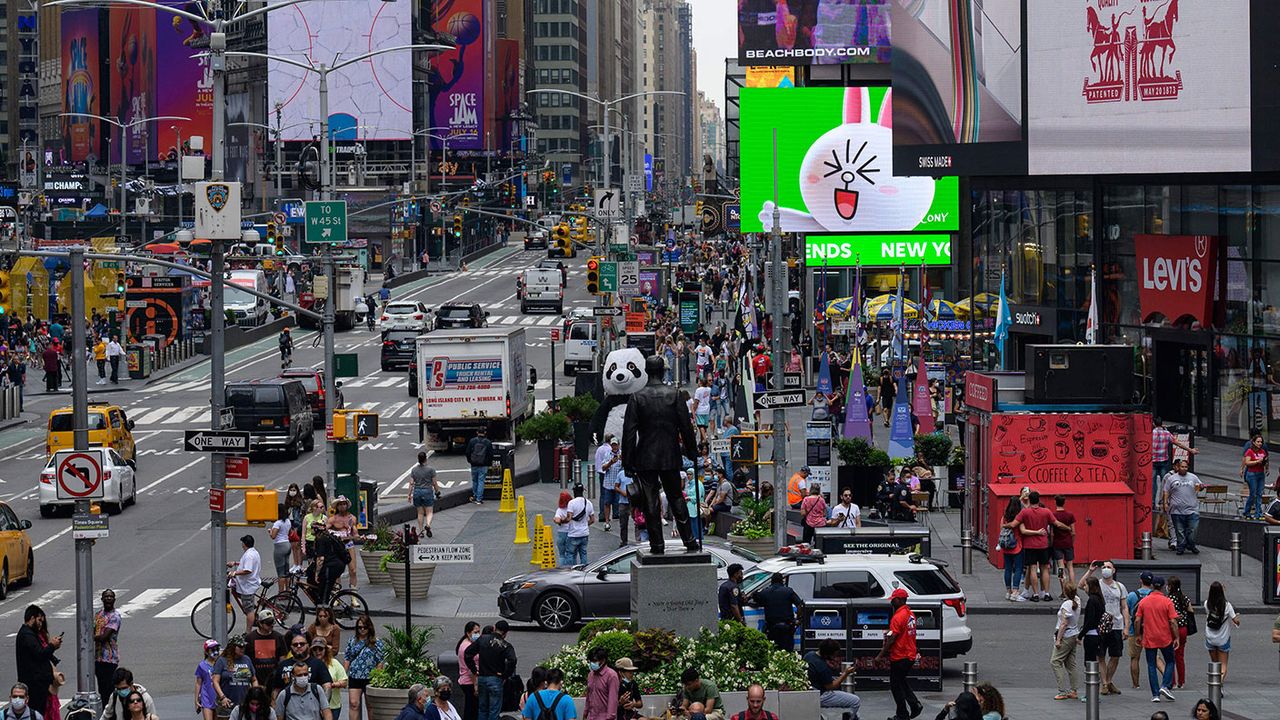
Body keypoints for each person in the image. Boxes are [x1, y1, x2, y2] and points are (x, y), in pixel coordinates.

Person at [1009, 490, 1063, 602]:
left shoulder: (1025, 513)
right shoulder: (1046, 511)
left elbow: (1014, 524)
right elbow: (1056, 523)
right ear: (1038, 500)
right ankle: (1047, 593)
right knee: (1044, 569)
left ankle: (1035, 594)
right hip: (1043, 544)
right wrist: (1067, 528)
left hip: (1030, 545)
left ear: (1029, 499)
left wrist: (1004, 525)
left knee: (1032, 568)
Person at [878, 588, 922, 720]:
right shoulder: (910, 615)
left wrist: (880, 655)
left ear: (900, 600)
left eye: (894, 599)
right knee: (901, 682)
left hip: (900, 656)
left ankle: (903, 714)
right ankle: (914, 705)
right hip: (909, 654)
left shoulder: (898, 616)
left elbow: (893, 638)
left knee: (895, 686)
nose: (892, 602)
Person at [1134, 576, 1179, 703]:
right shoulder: (1167, 602)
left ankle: (1155, 694)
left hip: (1149, 638)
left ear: (1152, 586)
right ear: (1163, 586)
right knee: (1170, 661)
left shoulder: (1144, 601)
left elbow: (1137, 620)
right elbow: (1173, 622)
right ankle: (1165, 685)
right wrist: (1176, 637)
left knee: (1151, 665)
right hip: (1165, 637)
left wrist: (1138, 635)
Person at [463, 620, 517, 720]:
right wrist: (505, 674)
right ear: (505, 633)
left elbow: (468, 654)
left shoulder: (482, 639)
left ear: (494, 627)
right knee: (494, 710)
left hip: (482, 678)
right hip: (496, 679)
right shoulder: (505, 645)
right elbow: (512, 660)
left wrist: (474, 670)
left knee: (482, 709)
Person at [16, 606, 60, 720]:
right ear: (32, 618)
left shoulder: (31, 634)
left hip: (39, 684)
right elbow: (40, 654)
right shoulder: (27, 635)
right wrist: (52, 646)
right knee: (36, 713)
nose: (41, 624)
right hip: (34, 685)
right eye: (39, 620)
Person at [1151, 417, 1197, 512]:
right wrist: (1190, 450)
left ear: (1153, 424)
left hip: (1153, 461)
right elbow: (1178, 444)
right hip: (1163, 460)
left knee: (1153, 483)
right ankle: (1163, 502)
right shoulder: (1167, 434)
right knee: (1166, 483)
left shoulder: (1151, 433)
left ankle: (1152, 504)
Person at [802, 639, 859, 716]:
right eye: (834, 655)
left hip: (809, 691)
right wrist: (845, 673)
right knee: (855, 701)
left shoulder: (809, 655)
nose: (835, 657)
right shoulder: (821, 665)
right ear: (826, 654)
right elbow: (831, 686)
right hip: (820, 695)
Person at [343, 615, 385, 720]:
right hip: (354, 676)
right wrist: (344, 674)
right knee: (353, 703)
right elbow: (347, 658)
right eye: (360, 627)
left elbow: (380, 661)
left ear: (369, 627)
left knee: (370, 706)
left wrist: (377, 677)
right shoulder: (352, 641)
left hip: (370, 678)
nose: (362, 629)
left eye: (365, 627)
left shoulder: (376, 642)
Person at [272, 633, 332, 704]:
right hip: (288, 709)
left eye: (302, 644)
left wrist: (324, 706)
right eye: (295, 644)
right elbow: (276, 689)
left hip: (312, 708)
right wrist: (274, 707)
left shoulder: (318, 664)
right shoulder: (283, 665)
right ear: (291, 647)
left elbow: (327, 686)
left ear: (308, 646)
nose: (299, 646)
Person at [751, 573, 804, 652]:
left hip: (772, 628)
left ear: (771, 581)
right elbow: (800, 605)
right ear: (782, 581)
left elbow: (754, 596)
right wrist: (798, 619)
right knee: (788, 653)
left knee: (773, 652)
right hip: (787, 628)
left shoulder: (765, 592)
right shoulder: (788, 591)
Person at [1163, 459, 1203, 554]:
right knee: (1179, 531)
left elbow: (1199, 486)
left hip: (1192, 509)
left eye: (1186, 467)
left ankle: (1191, 544)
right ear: (1178, 467)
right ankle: (1181, 547)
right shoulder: (1171, 478)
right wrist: (1165, 503)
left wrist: (1201, 487)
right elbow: (1166, 491)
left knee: (1193, 529)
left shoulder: (1193, 477)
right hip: (1176, 510)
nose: (1184, 469)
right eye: (1182, 467)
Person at [1203, 581, 1239, 684]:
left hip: (1210, 637)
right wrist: (1237, 618)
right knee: (1223, 665)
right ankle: (1219, 683)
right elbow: (1235, 620)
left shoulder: (1207, 604)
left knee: (1215, 664)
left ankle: (1215, 682)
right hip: (1223, 638)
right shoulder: (1227, 605)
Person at [1051, 579, 1081, 700]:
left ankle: (1062, 690)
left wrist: (1058, 639)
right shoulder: (1077, 600)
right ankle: (1073, 690)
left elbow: (1064, 623)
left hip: (1066, 636)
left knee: (1055, 661)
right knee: (1071, 663)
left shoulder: (1066, 605)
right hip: (1074, 634)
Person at [1127, 571, 1157, 690]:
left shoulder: (1132, 595)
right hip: (1151, 630)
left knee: (1135, 658)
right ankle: (1167, 681)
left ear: (1141, 580)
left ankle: (1136, 684)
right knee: (1156, 658)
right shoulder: (1154, 596)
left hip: (1134, 631)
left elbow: (1127, 610)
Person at [94, 589, 122, 709]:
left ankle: (111, 713)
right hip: (98, 657)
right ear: (102, 599)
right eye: (106, 597)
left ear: (114, 599)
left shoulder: (115, 616)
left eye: (111, 597)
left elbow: (104, 637)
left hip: (110, 659)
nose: (108, 599)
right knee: (102, 688)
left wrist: (90, 637)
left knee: (109, 691)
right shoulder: (98, 614)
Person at [213, 636, 256, 713]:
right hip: (228, 703)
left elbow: (254, 679)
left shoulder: (247, 659)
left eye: (244, 646)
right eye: (240, 647)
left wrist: (255, 693)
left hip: (245, 703)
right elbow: (215, 681)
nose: (243, 649)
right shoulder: (222, 660)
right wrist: (222, 697)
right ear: (232, 647)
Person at [246, 611, 286, 689]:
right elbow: (246, 660)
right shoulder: (250, 638)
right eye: (268, 623)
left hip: (274, 681)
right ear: (260, 624)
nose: (271, 625)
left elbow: (282, 659)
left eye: (272, 622)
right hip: (256, 680)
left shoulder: (278, 637)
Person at [229, 534, 263, 628]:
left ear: (244, 544)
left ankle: (248, 632)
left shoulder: (249, 555)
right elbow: (248, 564)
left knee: (249, 611)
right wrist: (235, 563)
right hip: (250, 583)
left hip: (248, 586)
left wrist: (234, 573)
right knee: (243, 599)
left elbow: (247, 570)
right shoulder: (253, 552)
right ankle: (252, 605)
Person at [1167, 575, 1193, 689]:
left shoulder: (1168, 599)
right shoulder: (1185, 598)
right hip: (1183, 629)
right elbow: (1191, 611)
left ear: (1169, 586)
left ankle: (1171, 681)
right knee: (1180, 656)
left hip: (1172, 629)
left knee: (1170, 656)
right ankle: (1181, 682)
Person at [327, 497, 360, 589]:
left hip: (349, 545)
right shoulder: (333, 519)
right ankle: (337, 594)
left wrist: (357, 536)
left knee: (353, 570)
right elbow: (325, 530)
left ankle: (354, 595)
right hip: (337, 546)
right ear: (337, 506)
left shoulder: (352, 518)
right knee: (337, 571)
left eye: (344, 504)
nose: (342, 506)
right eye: (340, 504)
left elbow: (355, 533)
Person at [558, 485, 594, 566]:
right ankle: (584, 570)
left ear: (574, 492)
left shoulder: (572, 503)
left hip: (573, 534)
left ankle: (571, 571)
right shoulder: (589, 503)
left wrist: (561, 521)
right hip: (585, 533)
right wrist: (584, 525)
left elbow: (568, 518)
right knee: (583, 553)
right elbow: (592, 520)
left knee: (570, 554)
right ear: (582, 491)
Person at [310, 640, 346, 720]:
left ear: (325, 650)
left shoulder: (334, 663)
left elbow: (344, 682)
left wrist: (330, 685)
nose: (317, 651)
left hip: (332, 706)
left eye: (320, 649)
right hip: (313, 706)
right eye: (315, 649)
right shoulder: (308, 664)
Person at [998, 497, 1025, 602]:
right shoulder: (1019, 516)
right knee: (1018, 569)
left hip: (1006, 545)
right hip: (1017, 545)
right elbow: (1021, 529)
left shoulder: (1005, 516)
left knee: (1008, 569)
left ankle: (1008, 591)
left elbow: (1001, 528)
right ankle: (1015, 591)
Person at [409, 452, 442, 538]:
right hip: (427, 491)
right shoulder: (431, 470)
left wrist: (409, 495)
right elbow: (434, 483)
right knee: (429, 512)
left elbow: (411, 483)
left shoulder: (414, 470)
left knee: (420, 513)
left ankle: (421, 531)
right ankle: (428, 525)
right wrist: (437, 492)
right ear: (426, 459)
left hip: (417, 492)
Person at [455, 623, 481, 720]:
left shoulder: (466, 644)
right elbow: (471, 668)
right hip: (470, 681)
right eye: (476, 632)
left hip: (466, 680)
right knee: (472, 710)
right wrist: (475, 685)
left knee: (470, 708)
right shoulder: (467, 647)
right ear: (468, 633)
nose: (478, 634)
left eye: (479, 632)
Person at [584, 647, 618, 720]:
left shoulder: (611, 676)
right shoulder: (590, 675)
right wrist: (585, 714)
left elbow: (613, 700)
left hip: (604, 717)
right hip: (592, 717)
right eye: (591, 661)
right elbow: (588, 696)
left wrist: (610, 718)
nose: (592, 663)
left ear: (603, 661)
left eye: (595, 661)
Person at [1050, 495, 1076, 590]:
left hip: (1057, 543)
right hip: (1068, 543)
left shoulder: (1053, 516)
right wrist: (1071, 542)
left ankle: (1064, 590)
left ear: (1056, 503)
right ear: (1064, 503)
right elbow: (1073, 532)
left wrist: (1052, 543)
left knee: (1060, 568)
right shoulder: (1070, 515)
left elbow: (1052, 533)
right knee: (1070, 567)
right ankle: (1073, 589)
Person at [1241, 432, 1268, 519]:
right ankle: (1246, 511)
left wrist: (1266, 466)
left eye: (1261, 442)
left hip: (1260, 473)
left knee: (1259, 493)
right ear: (1254, 442)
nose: (1260, 443)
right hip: (1252, 474)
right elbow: (1247, 462)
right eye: (1258, 441)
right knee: (1253, 494)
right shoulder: (1250, 451)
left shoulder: (1263, 451)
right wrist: (1257, 461)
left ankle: (1258, 513)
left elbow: (1266, 460)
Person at [465, 428, 494, 505]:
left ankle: (474, 496)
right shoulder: (488, 442)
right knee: (481, 481)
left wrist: (470, 461)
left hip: (474, 464)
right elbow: (491, 454)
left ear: (477, 432)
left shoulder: (472, 441)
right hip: (483, 465)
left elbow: (467, 452)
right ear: (485, 432)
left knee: (475, 481)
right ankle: (479, 499)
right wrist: (488, 463)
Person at [598, 438, 622, 532]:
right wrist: (611, 462)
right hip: (608, 483)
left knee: (620, 503)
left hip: (619, 484)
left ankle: (621, 521)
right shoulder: (607, 454)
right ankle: (607, 521)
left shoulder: (622, 454)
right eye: (613, 445)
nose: (614, 447)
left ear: (618, 445)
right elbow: (603, 468)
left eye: (616, 445)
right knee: (607, 503)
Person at [270, 505, 294, 592]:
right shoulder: (288, 521)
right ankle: (288, 590)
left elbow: (273, 536)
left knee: (280, 572)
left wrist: (270, 531)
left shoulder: (278, 523)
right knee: (286, 570)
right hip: (287, 544)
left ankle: (281, 593)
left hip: (279, 546)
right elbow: (290, 532)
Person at [197, 640, 223, 720]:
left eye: (217, 649)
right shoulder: (202, 665)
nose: (215, 652)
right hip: (207, 698)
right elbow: (198, 683)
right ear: (207, 652)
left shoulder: (221, 663)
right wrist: (196, 700)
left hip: (218, 698)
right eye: (212, 650)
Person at [551, 491, 572, 566]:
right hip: (571, 533)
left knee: (562, 555)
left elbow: (557, 520)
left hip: (562, 533)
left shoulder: (559, 510)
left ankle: (562, 569)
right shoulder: (571, 508)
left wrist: (560, 521)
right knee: (570, 553)